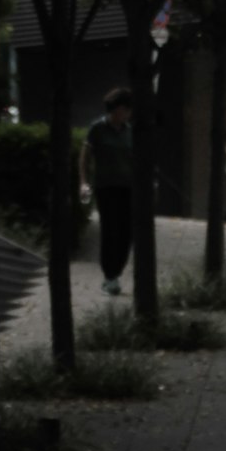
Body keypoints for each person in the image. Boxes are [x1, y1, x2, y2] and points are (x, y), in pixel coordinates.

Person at [79, 86, 134, 296]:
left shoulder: (130, 131)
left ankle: (116, 272)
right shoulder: (97, 129)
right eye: (126, 109)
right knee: (110, 231)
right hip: (106, 188)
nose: (128, 113)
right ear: (118, 109)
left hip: (128, 188)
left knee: (127, 233)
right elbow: (85, 157)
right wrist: (83, 182)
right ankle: (110, 276)